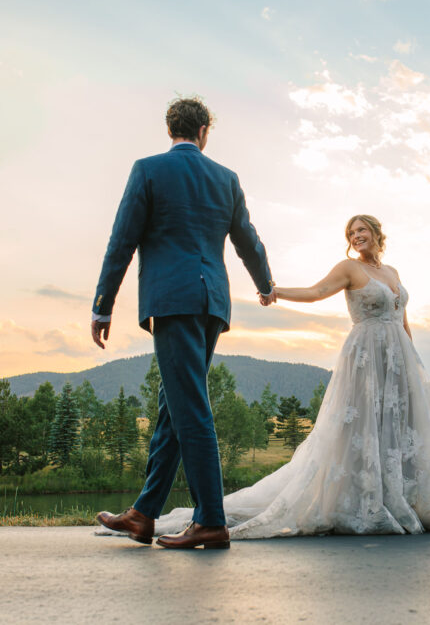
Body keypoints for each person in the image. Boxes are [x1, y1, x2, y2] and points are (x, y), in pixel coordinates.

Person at [149, 214, 430, 539]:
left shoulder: (392, 272)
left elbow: (403, 321)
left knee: (396, 430)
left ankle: (402, 499)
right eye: (351, 233)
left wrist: (414, 369)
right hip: (366, 358)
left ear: (376, 233)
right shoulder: (349, 269)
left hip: (398, 361)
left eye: (361, 230)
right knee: (360, 429)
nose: (356, 236)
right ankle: (365, 501)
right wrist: (276, 291)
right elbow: (317, 292)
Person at [91, 97, 275, 550]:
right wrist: (265, 282)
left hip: (171, 300)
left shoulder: (148, 169)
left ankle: (210, 520)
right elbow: (247, 239)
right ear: (204, 132)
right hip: (212, 302)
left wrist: (102, 305)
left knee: (189, 406)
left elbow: (122, 240)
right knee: (174, 406)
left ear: (169, 129)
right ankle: (144, 514)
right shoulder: (225, 178)